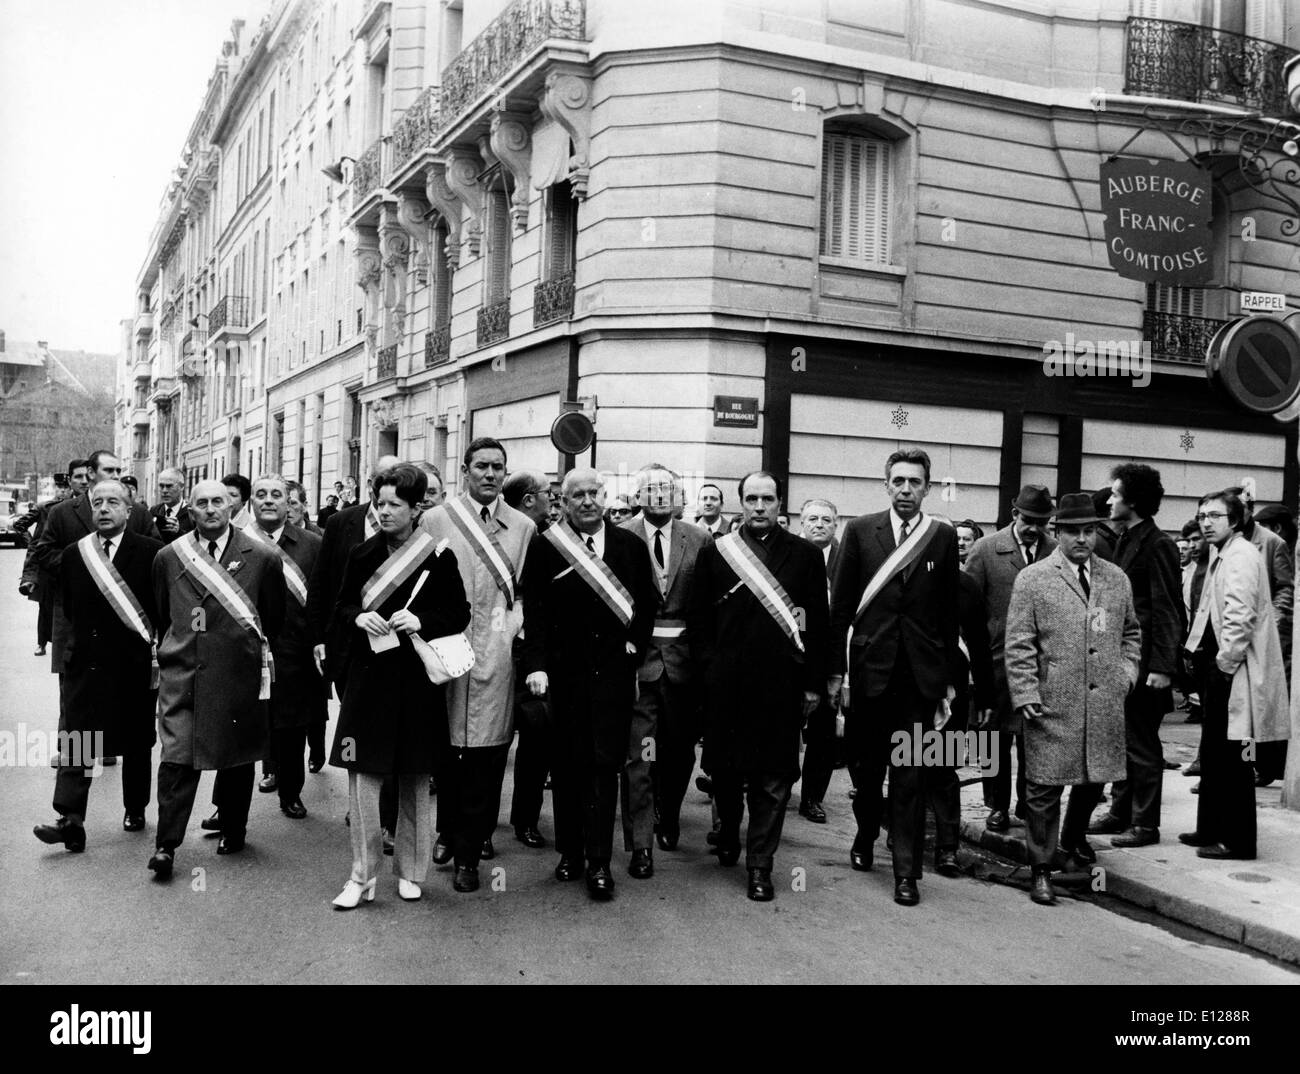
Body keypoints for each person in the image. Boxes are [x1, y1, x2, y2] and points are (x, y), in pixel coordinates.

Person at [328, 464, 470, 908]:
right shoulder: (362, 554)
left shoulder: (438, 555)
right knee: (363, 779)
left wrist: (422, 620)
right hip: (369, 680)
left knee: (413, 778)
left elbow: (459, 614)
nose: (385, 511)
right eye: (380, 503)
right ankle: (362, 876)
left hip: (415, 681)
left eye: (395, 504)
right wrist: (356, 616)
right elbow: (342, 605)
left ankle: (411, 871)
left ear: (416, 508)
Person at [827, 448, 961, 907]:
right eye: (899, 482)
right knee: (867, 773)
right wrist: (836, 672)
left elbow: (948, 613)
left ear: (928, 487)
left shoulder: (940, 538)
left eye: (915, 482)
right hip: (869, 677)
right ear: (886, 485)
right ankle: (865, 834)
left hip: (918, 681)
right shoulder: (861, 531)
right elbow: (841, 607)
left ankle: (907, 872)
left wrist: (946, 678)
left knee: (911, 776)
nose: (906, 490)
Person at [521, 467, 658, 900]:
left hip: (614, 676)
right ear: (563, 501)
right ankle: (571, 852)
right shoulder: (546, 548)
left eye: (593, 493)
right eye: (576, 495)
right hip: (563, 676)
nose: (586, 501)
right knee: (565, 765)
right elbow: (536, 612)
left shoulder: (630, 546)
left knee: (603, 766)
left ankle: (599, 862)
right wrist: (536, 665)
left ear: (605, 496)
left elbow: (647, 604)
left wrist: (635, 646)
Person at [690, 472, 827, 900]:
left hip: (780, 683)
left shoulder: (804, 555)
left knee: (773, 778)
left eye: (768, 499)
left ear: (780, 503)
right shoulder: (716, 553)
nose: (760, 506)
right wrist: (710, 670)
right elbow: (700, 621)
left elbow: (817, 624)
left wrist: (812, 683)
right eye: (752, 498)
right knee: (727, 772)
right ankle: (728, 832)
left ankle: (760, 866)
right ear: (741, 504)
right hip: (728, 683)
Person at [1004, 492, 1141, 905]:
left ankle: (1072, 840)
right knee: (1043, 788)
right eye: (1072, 532)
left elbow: (1131, 632)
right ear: (1056, 532)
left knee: (1092, 778)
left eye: (1088, 531)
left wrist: (1126, 675)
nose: (1082, 539)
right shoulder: (1034, 578)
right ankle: (1041, 869)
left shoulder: (1115, 578)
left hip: (1102, 702)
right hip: (1051, 700)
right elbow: (1019, 643)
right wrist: (1026, 690)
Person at [147, 480, 286, 879]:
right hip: (183, 673)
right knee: (176, 759)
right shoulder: (169, 557)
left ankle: (234, 828)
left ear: (231, 508)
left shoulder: (261, 557)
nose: (210, 510)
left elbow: (272, 617)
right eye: (202, 503)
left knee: (235, 757)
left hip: (235, 673)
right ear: (190, 511)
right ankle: (166, 845)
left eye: (218, 503)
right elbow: (163, 613)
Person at [420, 439, 535, 892]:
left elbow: (526, 590)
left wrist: (511, 631)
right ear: (465, 470)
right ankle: (448, 829)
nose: (490, 474)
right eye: (481, 466)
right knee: (448, 752)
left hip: (497, 648)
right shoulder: (436, 519)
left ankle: (471, 850)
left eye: (498, 468)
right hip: (446, 646)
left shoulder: (523, 527)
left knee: (488, 754)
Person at [32, 480, 163, 852]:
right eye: (98, 503)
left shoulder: (152, 552)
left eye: (113, 503)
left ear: (129, 509)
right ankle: (70, 819)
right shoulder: (76, 554)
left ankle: (135, 807)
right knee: (78, 737)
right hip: (85, 662)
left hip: (133, 662)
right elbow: (71, 606)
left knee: (136, 737)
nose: (104, 509)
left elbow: (159, 609)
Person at [1180, 490, 1289, 860]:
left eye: (1214, 515)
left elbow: (1239, 618)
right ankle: (1209, 827)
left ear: (1236, 519)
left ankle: (1237, 841)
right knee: (1214, 753)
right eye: (1202, 516)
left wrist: (1224, 666)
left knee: (1235, 759)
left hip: (1233, 670)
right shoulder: (1221, 553)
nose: (1205, 522)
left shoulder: (1241, 555)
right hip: (1218, 668)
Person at [1086, 464, 1184, 848]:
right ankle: (1120, 813)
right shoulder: (1127, 538)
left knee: (1142, 746)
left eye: (1115, 493)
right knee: (1122, 740)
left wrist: (1162, 667)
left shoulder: (1158, 545)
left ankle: (1145, 825)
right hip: (1123, 662)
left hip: (1145, 666)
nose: (1109, 499)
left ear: (1133, 500)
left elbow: (1167, 609)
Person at [619, 464, 710, 874]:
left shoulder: (700, 539)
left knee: (677, 753)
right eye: (650, 490)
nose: (658, 497)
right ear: (637, 496)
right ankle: (641, 845)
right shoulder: (620, 537)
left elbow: (709, 606)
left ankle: (667, 813)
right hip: (637, 664)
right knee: (639, 755)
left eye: (666, 490)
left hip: (684, 667)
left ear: (677, 497)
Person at [961, 485, 1056, 834]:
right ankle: (996, 805)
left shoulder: (1055, 551)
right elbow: (968, 609)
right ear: (1015, 514)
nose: (1034, 528)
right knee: (992, 739)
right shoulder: (985, 550)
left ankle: (1027, 802)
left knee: (1034, 738)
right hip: (995, 661)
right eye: (1028, 520)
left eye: (1042, 522)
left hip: (1040, 663)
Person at [31, 451, 159, 679]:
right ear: (91, 473)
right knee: (74, 703)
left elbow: (156, 555)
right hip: (76, 624)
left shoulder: (137, 512)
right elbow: (44, 551)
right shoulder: (62, 512)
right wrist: (84, 568)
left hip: (126, 620)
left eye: (119, 471)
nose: (116, 475)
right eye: (109, 470)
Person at [245, 474, 326, 820]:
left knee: (291, 727)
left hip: (293, 650)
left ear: (288, 501)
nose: (267, 500)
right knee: (240, 729)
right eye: (260, 494)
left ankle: (290, 792)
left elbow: (323, 599)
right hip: (246, 653)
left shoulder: (312, 544)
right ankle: (228, 808)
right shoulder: (237, 542)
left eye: (276, 495)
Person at [502, 469, 554, 849]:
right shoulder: (500, 535)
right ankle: (479, 826)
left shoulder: (551, 540)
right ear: (529, 499)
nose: (552, 501)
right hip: (498, 647)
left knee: (536, 739)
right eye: (547, 494)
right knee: (490, 743)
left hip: (535, 651)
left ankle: (525, 819)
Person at [796, 497, 841, 823]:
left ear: (835, 525)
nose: (819, 524)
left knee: (823, 732)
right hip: (793, 655)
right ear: (802, 523)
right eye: (812, 518)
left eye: (826, 519)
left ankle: (812, 797)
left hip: (829, 658)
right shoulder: (790, 555)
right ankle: (779, 786)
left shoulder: (846, 560)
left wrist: (838, 669)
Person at [150, 468, 194, 544]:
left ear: (182, 487)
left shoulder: (191, 513)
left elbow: (198, 543)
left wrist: (179, 532)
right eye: (161, 486)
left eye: (169, 486)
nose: (164, 491)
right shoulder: (155, 511)